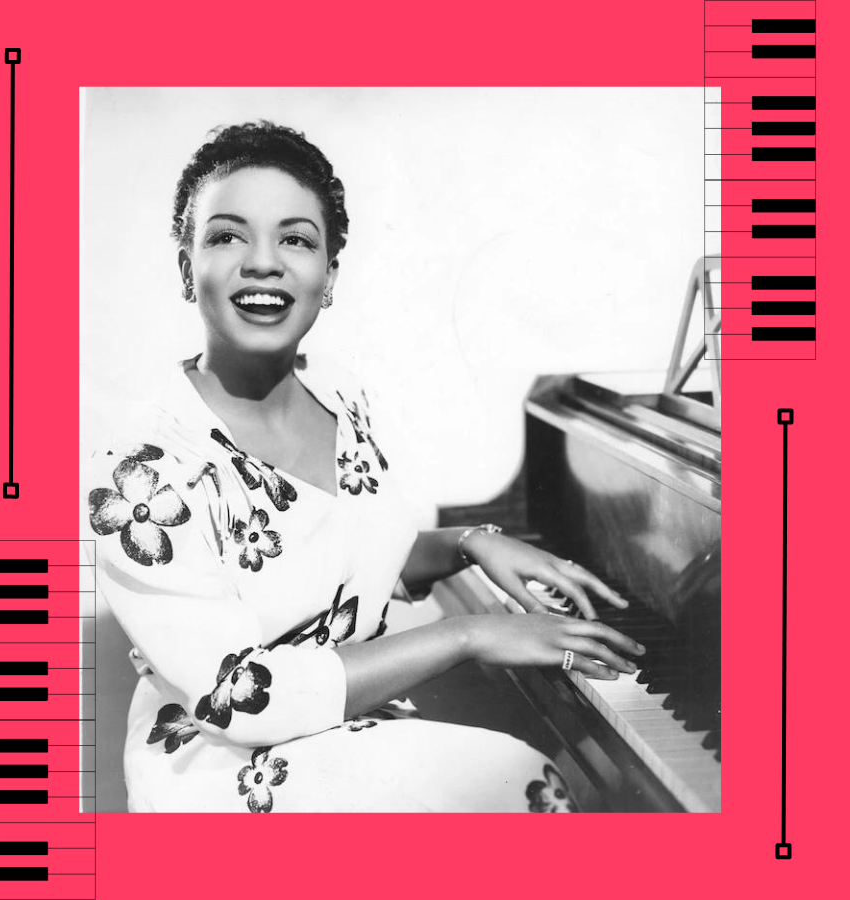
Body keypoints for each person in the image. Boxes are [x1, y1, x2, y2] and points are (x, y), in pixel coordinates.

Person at [84, 121, 644, 812]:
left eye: (295, 238)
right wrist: (467, 634)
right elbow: (237, 696)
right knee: (517, 781)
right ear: (184, 268)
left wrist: (470, 544)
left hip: (343, 728)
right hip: (222, 767)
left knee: (512, 783)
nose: (264, 262)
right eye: (227, 236)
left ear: (329, 276)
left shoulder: (342, 396)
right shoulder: (135, 474)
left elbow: (345, 570)